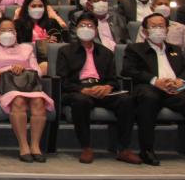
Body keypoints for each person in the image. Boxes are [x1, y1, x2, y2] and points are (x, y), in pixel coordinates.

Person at [58, 12, 142, 165]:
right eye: (82, 25)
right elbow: (63, 80)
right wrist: (82, 89)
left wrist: (108, 87)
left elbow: (113, 79)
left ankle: (124, 149)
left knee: (126, 100)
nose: (86, 28)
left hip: (102, 89)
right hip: (79, 90)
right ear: (76, 29)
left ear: (96, 30)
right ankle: (86, 147)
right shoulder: (65, 51)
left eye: (90, 26)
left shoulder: (106, 52)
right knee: (80, 101)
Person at [122, 14, 185, 165]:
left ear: (167, 29)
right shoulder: (135, 49)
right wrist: (155, 81)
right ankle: (147, 150)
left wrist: (180, 81)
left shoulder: (175, 48)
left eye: (161, 26)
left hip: (173, 89)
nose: (158, 29)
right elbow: (128, 70)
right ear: (145, 31)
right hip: (149, 88)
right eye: (153, 26)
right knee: (149, 99)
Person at [0, 18, 54, 162]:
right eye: (3, 30)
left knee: (39, 101)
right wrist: (1, 71)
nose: (7, 33)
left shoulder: (27, 48)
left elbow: (38, 71)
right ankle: (24, 146)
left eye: (10, 30)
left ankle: (35, 146)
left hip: (28, 86)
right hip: (5, 87)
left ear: (16, 33)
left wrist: (23, 69)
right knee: (18, 100)